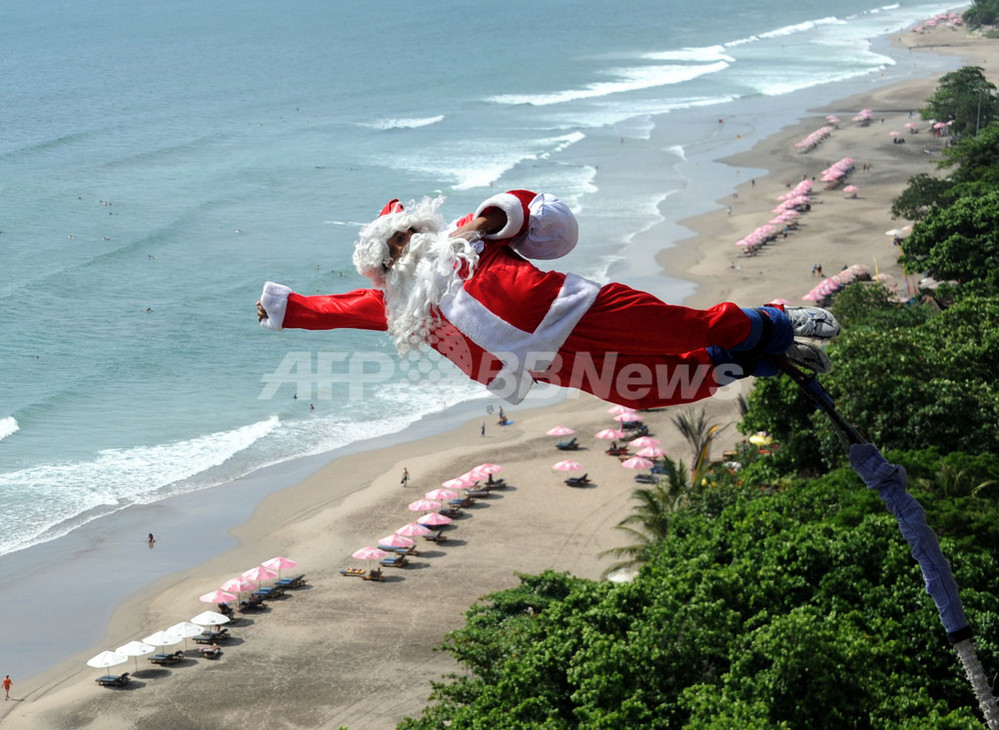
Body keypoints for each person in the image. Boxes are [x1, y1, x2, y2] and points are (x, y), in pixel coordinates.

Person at [257, 191, 839, 410]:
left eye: (404, 239)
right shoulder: (398, 305)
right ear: (383, 267)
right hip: (544, 362)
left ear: (418, 230)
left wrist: (484, 220)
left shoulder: (464, 235)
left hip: (574, 309)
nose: (401, 253)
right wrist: (286, 308)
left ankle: (773, 322)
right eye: (390, 254)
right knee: (650, 391)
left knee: (685, 328)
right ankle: (759, 359)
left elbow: (532, 212)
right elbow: (330, 311)